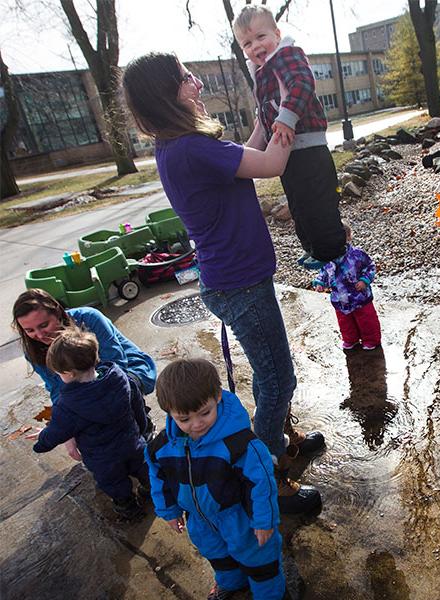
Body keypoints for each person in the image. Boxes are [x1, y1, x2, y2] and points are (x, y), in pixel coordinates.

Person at [122, 51, 323, 516]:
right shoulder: (193, 148)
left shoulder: (180, 145)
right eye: (186, 77)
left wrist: (263, 117)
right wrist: (288, 118)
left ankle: (281, 440)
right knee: (277, 380)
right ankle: (269, 471)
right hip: (241, 284)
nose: (196, 82)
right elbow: (271, 163)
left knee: (276, 375)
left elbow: (248, 157)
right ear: (166, 94)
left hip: (236, 278)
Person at [146, 358, 295, 600]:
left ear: (217, 396)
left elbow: (262, 483)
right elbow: (158, 476)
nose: (196, 424)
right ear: (169, 412)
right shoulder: (162, 447)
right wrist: (168, 510)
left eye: (204, 413)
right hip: (200, 520)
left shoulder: (239, 443)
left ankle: (271, 595)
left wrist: (264, 520)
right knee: (218, 556)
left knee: (260, 563)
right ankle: (231, 583)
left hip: (241, 520)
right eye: (184, 419)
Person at [233, 4, 346, 270]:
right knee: (299, 205)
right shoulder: (261, 72)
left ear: (277, 33)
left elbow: (302, 84)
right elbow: (263, 116)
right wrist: (252, 150)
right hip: (288, 153)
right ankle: (315, 248)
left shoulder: (286, 55)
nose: (255, 46)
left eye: (261, 37)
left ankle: (334, 250)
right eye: (247, 43)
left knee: (317, 201)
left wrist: (286, 118)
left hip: (308, 147)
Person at [13, 289, 156, 456]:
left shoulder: (89, 318)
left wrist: (87, 407)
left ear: (58, 312)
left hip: (127, 371)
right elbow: (56, 388)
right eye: (29, 331)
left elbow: (117, 364)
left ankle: (143, 425)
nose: (39, 335)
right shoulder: (33, 350)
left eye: (44, 325)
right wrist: (63, 429)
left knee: (120, 396)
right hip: (87, 389)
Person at [29, 328, 149, 521]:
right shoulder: (119, 377)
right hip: (132, 442)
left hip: (102, 458)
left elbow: (57, 432)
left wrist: (41, 442)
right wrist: (141, 430)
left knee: (115, 484)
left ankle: (128, 509)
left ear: (67, 373)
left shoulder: (67, 405)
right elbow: (137, 404)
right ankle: (153, 491)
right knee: (144, 467)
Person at [313, 222, 381, 351]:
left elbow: (370, 267)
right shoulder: (328, 258)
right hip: (340, 298)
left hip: (360, 296)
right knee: (345, 322)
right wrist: (320, 283)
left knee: (366, 320)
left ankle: (371, 340)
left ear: (349, 237)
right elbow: (323, 272)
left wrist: (364, 280)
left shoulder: (357, 255)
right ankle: (350, 339)